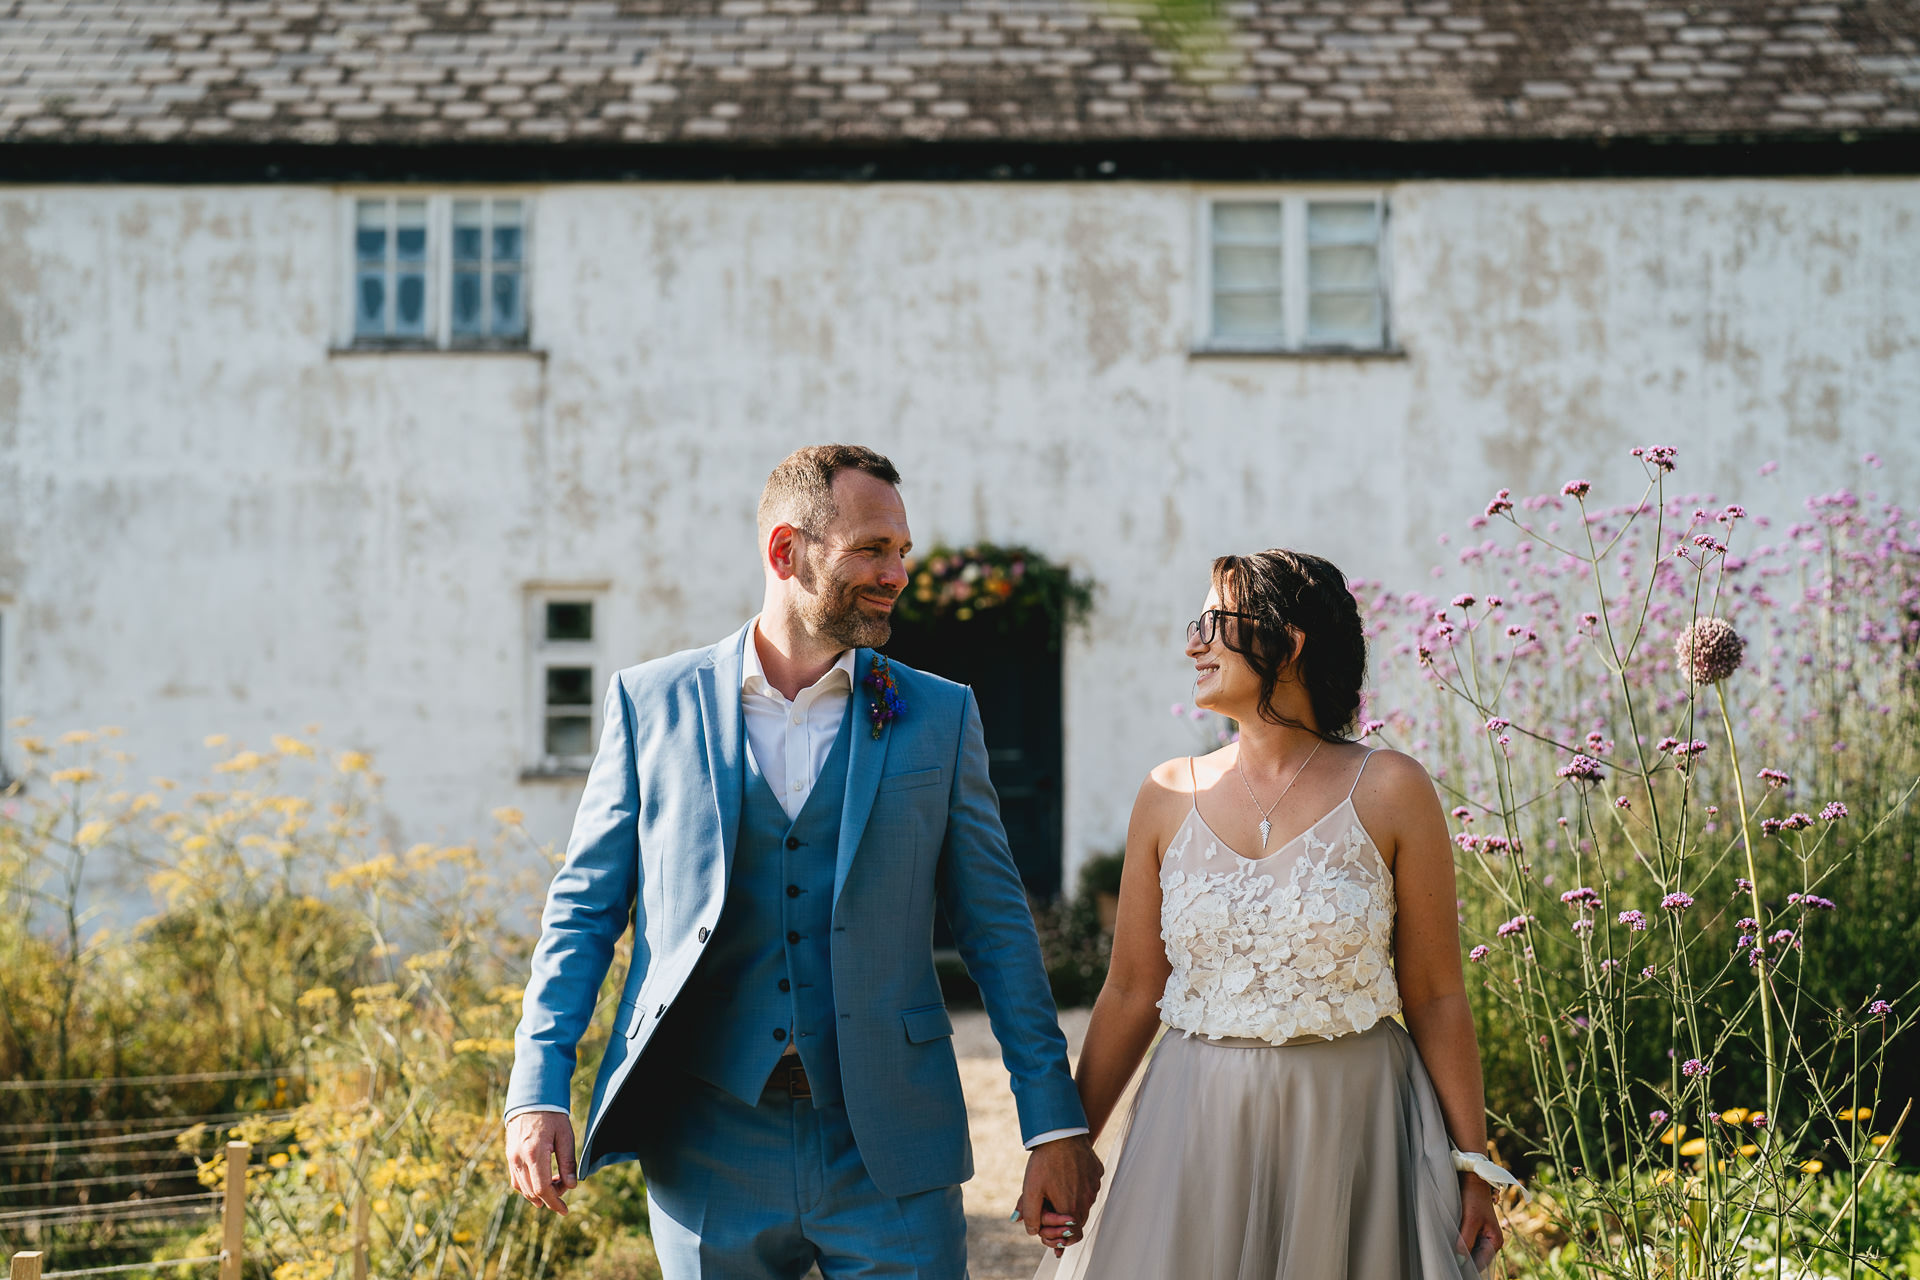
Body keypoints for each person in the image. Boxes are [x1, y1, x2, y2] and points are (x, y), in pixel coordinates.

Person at [502, 444, 1101, 1279]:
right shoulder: (652, 705)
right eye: (871, 549)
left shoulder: (938, 714)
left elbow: (997, 929)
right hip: (707, 1139)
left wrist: (1050, 1122)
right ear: (787, 551)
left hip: (891, 1138)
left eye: (903, 552)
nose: (897, 574)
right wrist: (536, 1090)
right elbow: (583, 912)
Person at [1034, 549, 1518, 1279]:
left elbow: (1437, 993)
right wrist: (1069, 1143)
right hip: (1193, 1124)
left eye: (1212, 623)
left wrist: (1474, 1165)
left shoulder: (1390, 788)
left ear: (1288, 641)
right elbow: (1132, 991)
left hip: (1355, 1126)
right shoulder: (1166, 794)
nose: (1191, 642)